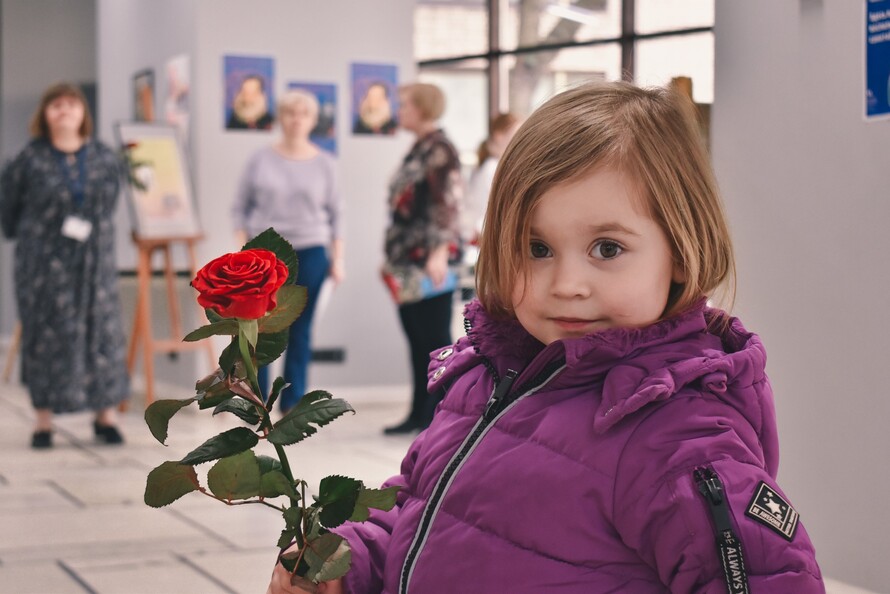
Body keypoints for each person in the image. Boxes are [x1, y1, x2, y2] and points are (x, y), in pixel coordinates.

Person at [268, 80, 825, 592]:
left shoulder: (680, 439)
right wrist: (349, 560)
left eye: (607, 248)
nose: (565, 284)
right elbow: (422, 507)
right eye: (537, 248)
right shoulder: (483, 379)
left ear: (681, 250)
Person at [0, 82, 129, 448]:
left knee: (102, 334)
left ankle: (105, 416)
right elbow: (8, 215)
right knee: (45, 336)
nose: (64, 110)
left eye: (72, 103)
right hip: (42, 266)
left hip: (95, 265)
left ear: (83, 112)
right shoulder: (28, 160)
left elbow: (110, 204)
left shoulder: (104, 158)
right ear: (44, 114)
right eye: (55, 104)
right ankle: (43, 421)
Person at [232, 88, 344, 412]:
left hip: (311, 252)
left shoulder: (326, 164)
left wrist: (339, 259)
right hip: (265, 255)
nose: (297, 120)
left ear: (312, 120)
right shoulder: (260, 160)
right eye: (290, 113)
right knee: (262, 328)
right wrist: (243, 252)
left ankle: (292, 403)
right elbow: (239, 208)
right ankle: (258, 402)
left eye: (304, 114)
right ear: (280, 117)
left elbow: (338, 215)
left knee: (301, 329)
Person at [381, 82, 463, 435]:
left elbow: (449, 203)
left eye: (404, 105)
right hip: (407, 260)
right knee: (417, 339)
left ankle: (438, 416)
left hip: (429, 260)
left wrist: (439, 252)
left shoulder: (440, 149)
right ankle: (418, 413)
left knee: (434, 342)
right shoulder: (419, 148)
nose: (398, 111)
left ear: (423, 108)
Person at [464, 112, 520, 241]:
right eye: (515, 133)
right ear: (499, 136)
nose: (519, 139)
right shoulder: (492, 168)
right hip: (486, 235)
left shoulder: (489, 165)